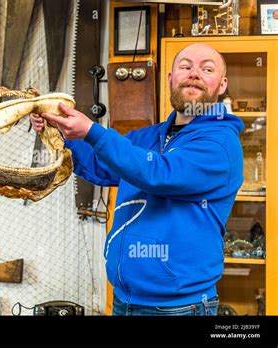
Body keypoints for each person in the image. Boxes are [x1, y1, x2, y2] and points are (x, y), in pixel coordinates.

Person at [30, 43, 244, 316]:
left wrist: (92, 131)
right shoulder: (146, 137)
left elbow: (159, 173)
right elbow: (100, 165)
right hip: (125, 301)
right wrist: (61, 131)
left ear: (222, 84)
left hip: (180, 308)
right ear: (171, 78)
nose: (194, 74)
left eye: (207, 69)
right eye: (185, 66)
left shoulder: (221, 144)